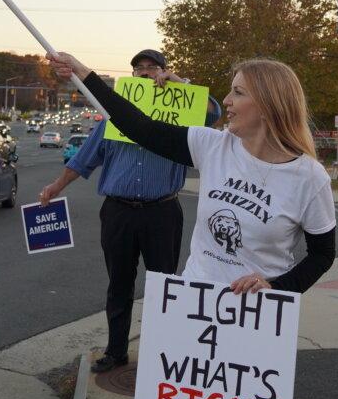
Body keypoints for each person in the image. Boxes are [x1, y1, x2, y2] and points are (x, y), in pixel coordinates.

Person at [47, 51, 337, 399]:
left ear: (269, 104)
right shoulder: (212, 146)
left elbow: (323, 254)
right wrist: (85, 74)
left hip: (254, 326)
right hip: (191, 315)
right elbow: (137, 125)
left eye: (238, 93)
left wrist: (276, 285)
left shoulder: (309, 176)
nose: (228, 102)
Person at [39, 49, 220, 374]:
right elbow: (84, 159)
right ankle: (116, 351)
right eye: (140, 69)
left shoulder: (180, 115)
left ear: (163, 72)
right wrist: (55, 187)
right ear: (132, 76)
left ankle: (160, 353)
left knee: (164, 286)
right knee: (119, 284)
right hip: (118, 212)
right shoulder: (112, 118)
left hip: (161, 213)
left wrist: (179, 84)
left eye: (153, 68)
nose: (146, 73)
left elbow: (212, 114)